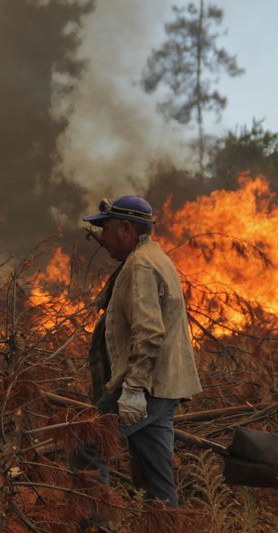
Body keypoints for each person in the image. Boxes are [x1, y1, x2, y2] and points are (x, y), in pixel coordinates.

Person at [79, 194, 202, 508]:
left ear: (125, 229)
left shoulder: (141, 266)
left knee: (85, 443)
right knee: (155, 479)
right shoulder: (153, 257)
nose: (102, 238)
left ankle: (98, 532)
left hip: (146, 386)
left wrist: (133, 390)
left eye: (105, 229)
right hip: (161, 385)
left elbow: (148, 333)